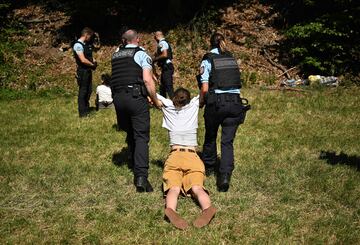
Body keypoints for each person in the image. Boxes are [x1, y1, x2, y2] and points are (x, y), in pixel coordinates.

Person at [110, 29, 162, 193]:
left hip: (118, 99)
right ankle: (141, 177)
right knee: (141, 137)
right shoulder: (141, 54)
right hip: (135, 98)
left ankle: (132, 159)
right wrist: (155, 100)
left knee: (130, 131)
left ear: (124, 41)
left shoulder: (115, 55)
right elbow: (147, 79)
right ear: (137, 40)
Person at [157, 88, 216, 230]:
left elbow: (152, 93)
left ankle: (171, 209)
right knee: (197, 187)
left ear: (174, 98)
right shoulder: (194, 105)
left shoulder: (168, 106)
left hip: (175, 156)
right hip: (192, 156)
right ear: (188, 99)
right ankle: (207, 208)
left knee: (174, 188)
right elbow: (204, 90)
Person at [198, 33, 249, 192]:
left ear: (210, 43)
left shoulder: (208, 59)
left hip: (216, 104)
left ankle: (209, 167)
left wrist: (201, 103)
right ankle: (225, 176)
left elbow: (205, 88)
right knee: (227, 142)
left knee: (211, 135)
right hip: (235, 103)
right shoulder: (231, 58)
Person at [73, 27, 97, 118]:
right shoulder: (78, 45)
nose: (90, 38)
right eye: (90, 36)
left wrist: (94, 61)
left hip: (88, 70)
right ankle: (82, 113)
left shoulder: (85, 44)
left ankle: (86, 109)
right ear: (86, 35)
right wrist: (92, 64)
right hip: (82, 71)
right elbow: (82, 60)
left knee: (89, 90)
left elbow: (89, 56)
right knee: (83, 91)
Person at [153, 31, 174, 99]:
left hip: (167, 67)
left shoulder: (162, 43)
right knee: (162, 86)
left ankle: (175, 103)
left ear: (156, 36)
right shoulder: (164, 42)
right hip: (165, 67)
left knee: (168, 86)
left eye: (155, 38)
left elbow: (164, 54)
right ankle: (163, 103)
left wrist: (155, 59)